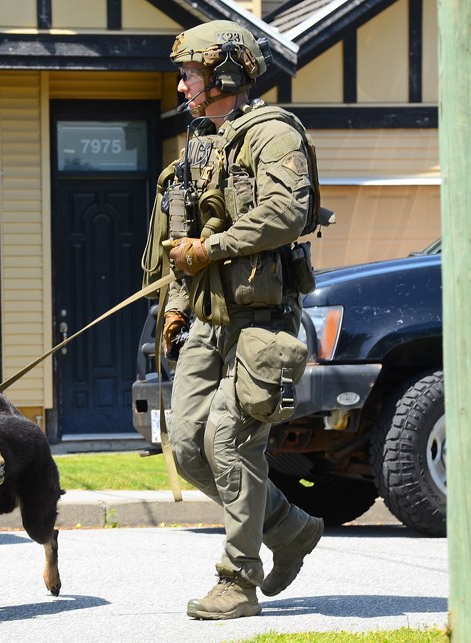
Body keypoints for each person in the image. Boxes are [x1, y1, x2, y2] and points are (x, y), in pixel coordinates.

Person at [141, 20, 324, 620]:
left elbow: (286, 212)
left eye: (190, 73)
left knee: (230, 441)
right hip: (206, 323)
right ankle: (291, 529)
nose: (183, 85)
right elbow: (183, 240)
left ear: (225, 73)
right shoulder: (199, 145)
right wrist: (173, 307)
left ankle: (237, 580)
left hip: (260, 323)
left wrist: (211, 251)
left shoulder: (273, 135)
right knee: (190, 448)